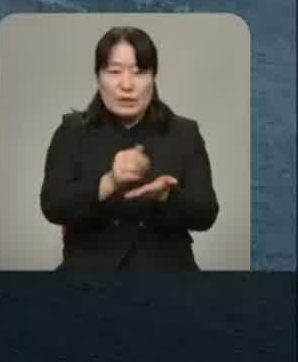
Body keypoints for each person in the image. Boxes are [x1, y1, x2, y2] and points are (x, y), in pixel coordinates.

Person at [39, 26, 219, 270]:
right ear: (98, 76)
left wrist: (166, 196)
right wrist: (108, 184)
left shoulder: (185, 133)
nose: (127, 85)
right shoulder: (71, 132)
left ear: (153, 77)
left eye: (139, 72)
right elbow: (53, 206)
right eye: (114, 71)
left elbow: (206, 213)